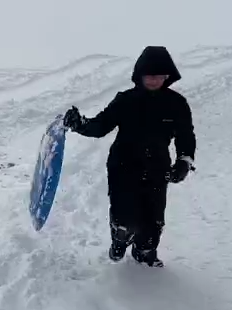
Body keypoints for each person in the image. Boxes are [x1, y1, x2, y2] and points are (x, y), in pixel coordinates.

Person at [62, 46, 196, 267]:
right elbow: (101, 125)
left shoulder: (177, 104)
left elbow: (186, 136)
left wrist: (184, 160)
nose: (153, 80)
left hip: (157, 168)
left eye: (159, 76)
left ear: (167, 76)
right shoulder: (126, 100)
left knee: (153, 221)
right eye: (149, 75)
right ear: (140, 75)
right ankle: (120, 240)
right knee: (125, 217)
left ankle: (145, 252)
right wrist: (80, 124)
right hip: (123, 166)